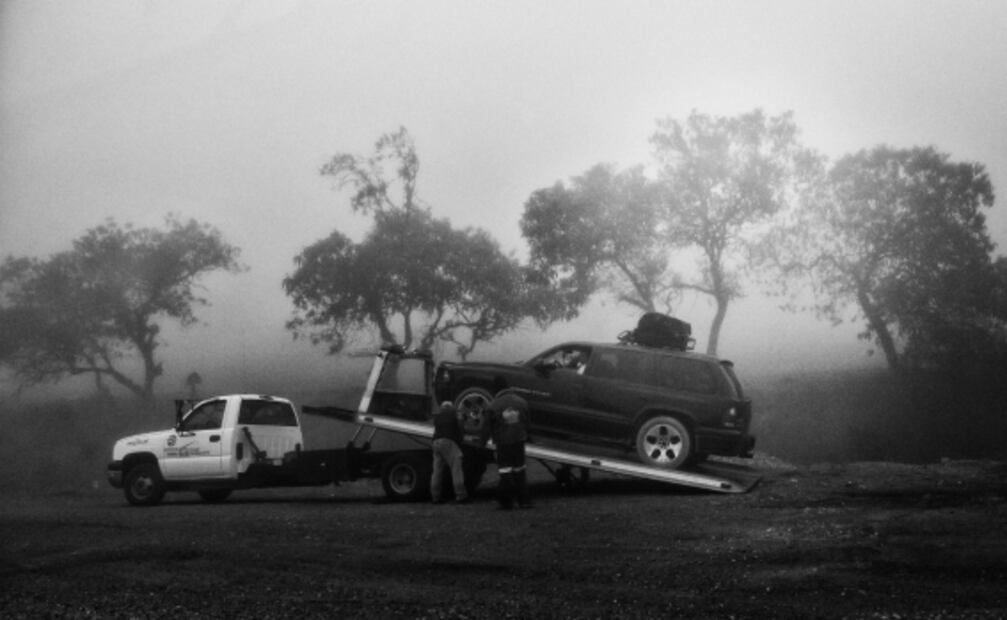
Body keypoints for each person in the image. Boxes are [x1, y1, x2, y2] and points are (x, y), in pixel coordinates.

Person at [479, 391, 532, 509]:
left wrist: (481, 443)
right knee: (520, 471)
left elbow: (487, 427)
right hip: (519, 441)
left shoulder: (493, 405)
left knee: (505, 471)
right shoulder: (522, 402)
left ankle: (506, 503)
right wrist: (528, 436)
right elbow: (527, 422)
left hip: (503, 443)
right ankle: (525, 501)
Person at [430, 401, 469, 504]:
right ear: (452, 408)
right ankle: (461, 496)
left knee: (437, 471)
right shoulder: (454, 414)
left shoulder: (437, 417)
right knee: (456, 468)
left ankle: (435, 496)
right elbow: (461, 427)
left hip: (435, 442)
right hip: (448, 442)